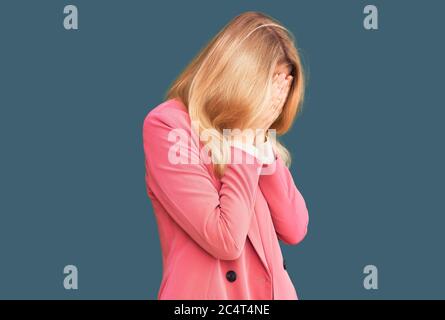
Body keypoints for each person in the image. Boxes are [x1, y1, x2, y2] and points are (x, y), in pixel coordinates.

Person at [142, 11, 309, 300]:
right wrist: (246, 142)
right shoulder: (168, 126)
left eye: (285, 82)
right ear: (239, 74)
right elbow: (225, 240)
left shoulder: (252, 134)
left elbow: (295, 228)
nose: (276, 97)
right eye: (271, 81)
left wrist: (260, 143)